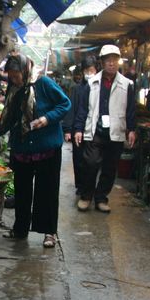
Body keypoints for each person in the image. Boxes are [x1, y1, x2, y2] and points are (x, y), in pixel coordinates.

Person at [0, 53, 70, 248]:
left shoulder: (44, 83)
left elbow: (65, 104)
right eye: (11, 77)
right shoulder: (15, 89)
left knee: (46, 192)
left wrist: (46, 119)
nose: (13, 80)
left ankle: (49, 232)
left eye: (16, 76)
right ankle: (20, 229)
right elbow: (9, 117)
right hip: (22, 148)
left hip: (46, 147)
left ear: (25, 70)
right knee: (22, 191)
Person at [72, 44, 136, 213]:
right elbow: (83, 108)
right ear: (102, 62)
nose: (112, 63)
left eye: (115, 60)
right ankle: (86, 196)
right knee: (90, 163)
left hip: (116, 130)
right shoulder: (91, 83)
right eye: (108, 60)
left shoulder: (126, 84)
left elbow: (131, 109)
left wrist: (131, 129)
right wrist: (78, 129)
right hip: (95, 130)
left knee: (110, 167)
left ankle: (101, 198)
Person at [63, 56, 97, 196]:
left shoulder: (98, 88)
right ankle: (80, 185)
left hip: (92, 130)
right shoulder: (77, 89)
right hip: (78, 128)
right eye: (88, 70)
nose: (90, 73)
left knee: (91, 161)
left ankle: (89, 186)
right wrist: (68, 129)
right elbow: (71, 109)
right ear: (83, 72)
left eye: (93, 70)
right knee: (78, 159)